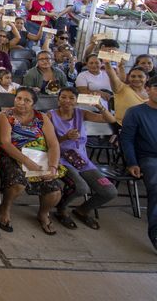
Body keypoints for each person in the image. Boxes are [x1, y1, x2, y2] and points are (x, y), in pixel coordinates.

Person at [0, 87, 64, 235]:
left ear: (33, 103)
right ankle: (5, 208)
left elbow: (53, 144)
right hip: (12, 155)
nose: (21, 102)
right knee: (17, 184)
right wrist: (27, 162)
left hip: (39, 156)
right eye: (19, 98)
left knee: (55, 191)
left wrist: (52, 166)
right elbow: (4, 143)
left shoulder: (41, 118)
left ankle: (43, 213)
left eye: (27, 100)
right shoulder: (5, 115)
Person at [48, 88, 117, 230]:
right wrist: (65, 137)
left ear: (76, 100)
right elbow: (46, 143)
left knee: (109, 191)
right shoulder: (50, 116)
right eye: (63, 97)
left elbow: (110, 120)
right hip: (60, 158)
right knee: (80, 187)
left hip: (81, 159)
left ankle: (82, 210)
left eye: (71, 98)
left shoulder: (81, 113)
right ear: (58, 99)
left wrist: (99, 106)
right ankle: (61, 209)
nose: (67, 101)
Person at [120, 76, 157, 252]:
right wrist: (132, 162)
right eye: (156, 88)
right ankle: (156, 232)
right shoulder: (135, 112)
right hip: (149, 158)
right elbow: (126, 140)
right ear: (148, 89)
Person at [104, 61, 149, 125]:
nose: (136, 79)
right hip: (124, 127)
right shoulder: (121, 88)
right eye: (133, 76)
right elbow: (112, 76)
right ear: (128, 77)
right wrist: (107, 63)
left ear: (147, 78)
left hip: (146, 127)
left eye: (140, 76)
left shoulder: (151, 92)